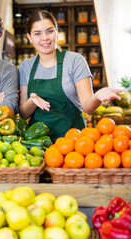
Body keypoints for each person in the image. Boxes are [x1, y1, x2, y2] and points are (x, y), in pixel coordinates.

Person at [19, 10, 121, 142]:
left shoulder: (75, 61)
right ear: (29, 37)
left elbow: (88, 108)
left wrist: (97, 97)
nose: (44, 38)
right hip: (37, 144)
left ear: (57, 31)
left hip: (74, 143)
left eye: (49, 31)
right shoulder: (25, 67)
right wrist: (32, 101)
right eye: (37, 33)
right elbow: (22, 114)